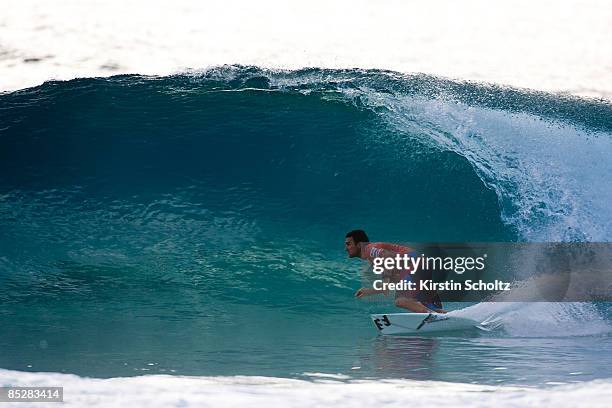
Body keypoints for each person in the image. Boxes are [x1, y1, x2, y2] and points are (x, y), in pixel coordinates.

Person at [345, 229, 447, 313]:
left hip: (413, 263)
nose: (346, 248)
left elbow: (386, 255)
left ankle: (432, 316)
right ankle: (443, 317)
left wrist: (385, 278)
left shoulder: (369, 249)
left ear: (359, 245)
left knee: (401, 301)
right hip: (420, 264)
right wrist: (369, 291)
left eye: (348, 244)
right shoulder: (374, 257)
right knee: (431, 307)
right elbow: (394, 282)